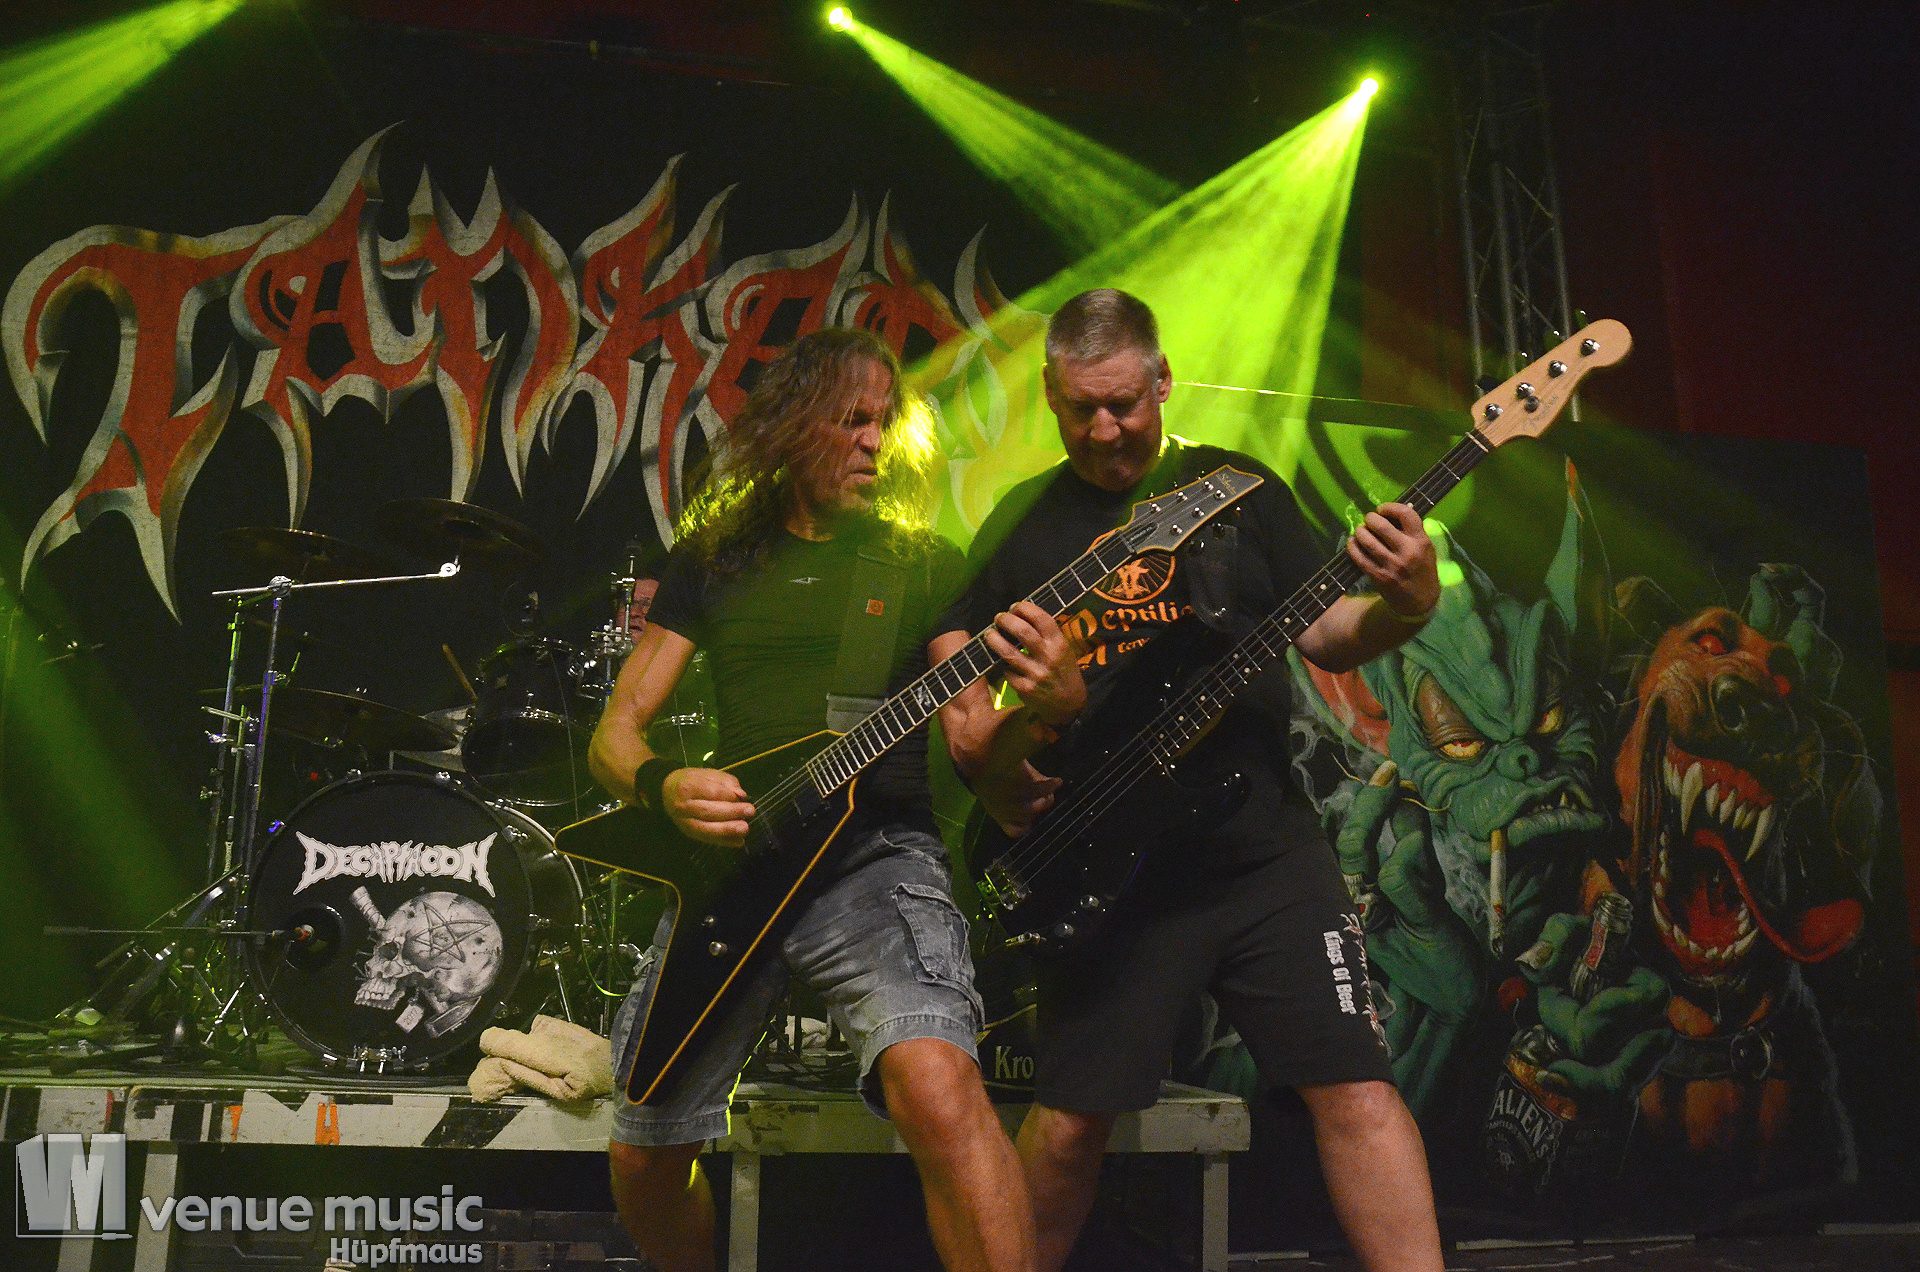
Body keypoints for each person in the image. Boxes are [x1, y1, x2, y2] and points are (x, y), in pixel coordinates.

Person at [933, 289, 1446, 1272]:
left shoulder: (1237, 491)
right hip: (1111, 865)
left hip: (1262, 851)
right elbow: (955, 649)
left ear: (1163, 381)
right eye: (1081, 408)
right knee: (1072, 1123)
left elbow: (1330, 631)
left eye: (1123, 404)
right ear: (1050, 394)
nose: (1104, 429)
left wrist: (1409, 607)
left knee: (1356, 1088)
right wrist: (984, 740)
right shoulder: (1025, 522)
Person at [587, 328, 1035, 1272]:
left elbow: (970, 730)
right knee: (643, 1155)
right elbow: (614, 733)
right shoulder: (714, 559)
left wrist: (1044, 704)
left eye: (885, 421)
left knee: (938, 1087)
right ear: (795, 425)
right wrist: (663, 784)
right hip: (738, 868)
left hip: (875, 859)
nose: (876, 441)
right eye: (853, 420)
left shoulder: (921, 562)